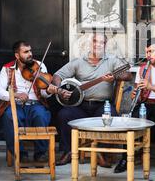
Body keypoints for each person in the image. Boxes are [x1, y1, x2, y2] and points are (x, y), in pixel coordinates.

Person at [53, 32, 133, 166]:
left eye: (101, 42)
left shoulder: (112, 60)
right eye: (95, 41)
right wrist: (59, 90)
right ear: (90, 44)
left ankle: (102, 152)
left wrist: (115, 77)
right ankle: (68, 152)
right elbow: (57, 75)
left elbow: (128, 75)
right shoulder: (78, 62)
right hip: (80, 105)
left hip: (102, 105)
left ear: (105, 45)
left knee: (111, 115)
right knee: (64, 115)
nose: (98, 45)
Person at [114, 39, 155, 176]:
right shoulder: (142, 69)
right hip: (147, 104)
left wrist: (152, 87)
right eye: (147, 52)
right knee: (131, 119)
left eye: (152, 51)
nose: (149, 54)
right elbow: (139, 95)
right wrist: (134, 95)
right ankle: (125, 159)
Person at [0, 40, 58, 163]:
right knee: (9, 116)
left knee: (40, 115)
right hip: (16, 105)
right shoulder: (7, 69)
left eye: (30, 51)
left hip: (36, 104)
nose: (30, 54)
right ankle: (20, 153)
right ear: (17, 55)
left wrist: (50, 91)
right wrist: (16, 95)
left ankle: (40, 153)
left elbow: (44, 93)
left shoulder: (39, 66)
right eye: (26, 52)